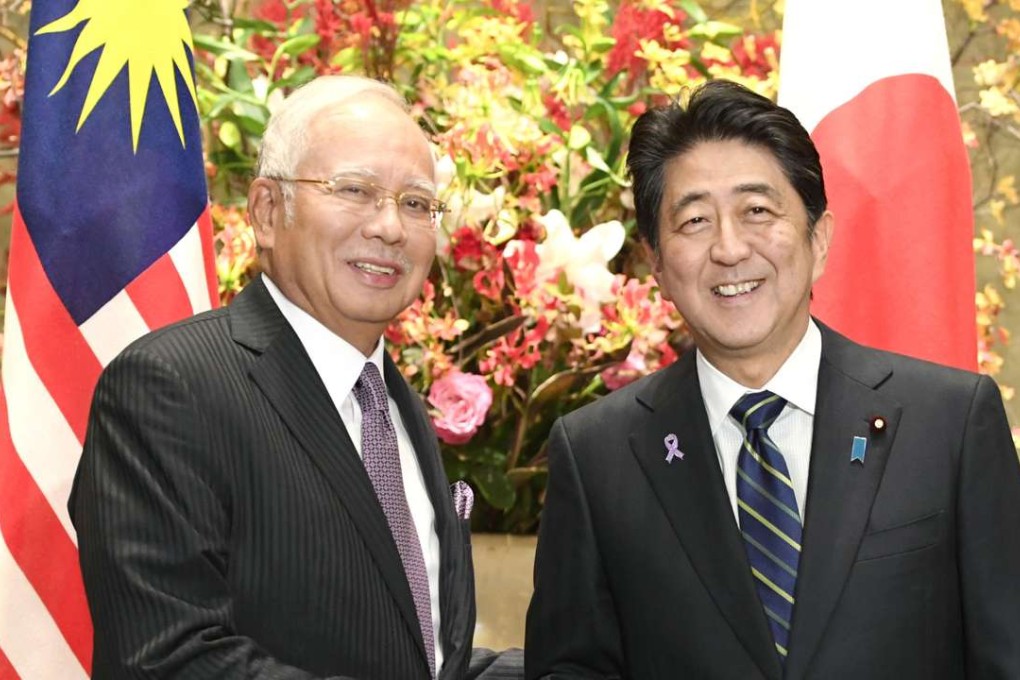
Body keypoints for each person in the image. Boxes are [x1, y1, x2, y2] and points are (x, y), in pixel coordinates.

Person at [525, 80, 1020, 679]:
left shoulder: (951, 422)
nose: (730, 249)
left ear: (819, 239)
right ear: (656, 263)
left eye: (757, 211)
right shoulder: (598, 453)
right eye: (695, 220)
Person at [72, 75, 489, 679]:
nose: (391, 227)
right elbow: (169, 659)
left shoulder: (392, 404)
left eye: (417, 203)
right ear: (267, 212)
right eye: (355, 189)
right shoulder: (169, 388)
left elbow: (421, 658)